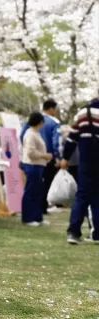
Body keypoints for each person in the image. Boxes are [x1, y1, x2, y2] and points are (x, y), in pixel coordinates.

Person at [60, 94, 98, 244]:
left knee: (82, 196)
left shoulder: (83, 113)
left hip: (86, 160)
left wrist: (65, 157)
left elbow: (72, 138)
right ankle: (97, 234)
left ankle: (73, 233)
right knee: (97, 197)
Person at [21, 112, 52, 226]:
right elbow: (30, 153)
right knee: (31, 192)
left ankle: (37, 217)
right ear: (40, 122)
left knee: (38, 192)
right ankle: (28, 218)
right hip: (32, 165)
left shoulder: (36, 133)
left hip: (38, 166)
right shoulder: (30, 134)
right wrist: (45, 156)